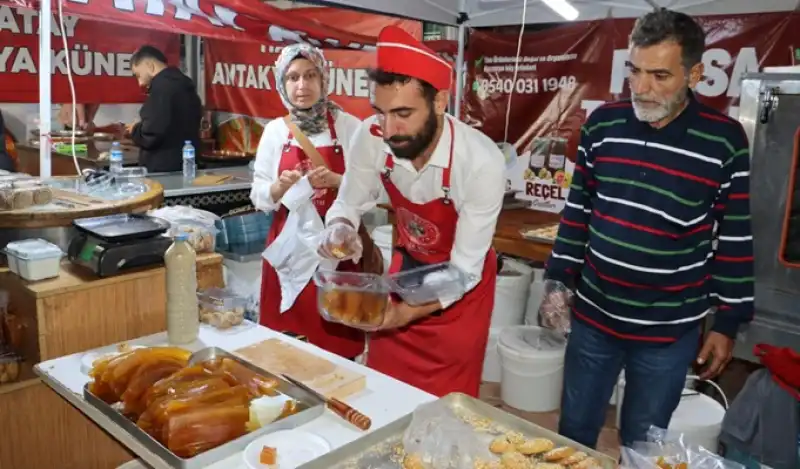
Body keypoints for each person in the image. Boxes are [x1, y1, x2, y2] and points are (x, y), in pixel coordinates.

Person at [539, 8, 754, 449]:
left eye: (660, 75)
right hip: (594, 316)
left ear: (694, 74)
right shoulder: (603, 125)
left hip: (668, 331)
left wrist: (727, 322)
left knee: (643, 443)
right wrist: (558, 280)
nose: (641, 87)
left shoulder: (724, 140)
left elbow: (734, 234)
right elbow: (578, 211)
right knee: (574, 432)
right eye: (635, 71)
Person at [317, 26, 506, 397]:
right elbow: (350, 201)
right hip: (405, 274)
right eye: (381, 113)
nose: (389, 130)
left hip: (460, 296)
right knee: (386, 392)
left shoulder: (480, 162)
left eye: (403, 113)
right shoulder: (371, 137)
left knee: (446, 403)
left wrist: (400, 314)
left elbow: (464, 270)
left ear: (440, 102)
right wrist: (340, 227)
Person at [251, 44, 366, 360]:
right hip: (289, 248)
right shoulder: (276, 132)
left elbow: (373, 190)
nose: (302, 85)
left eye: (310, 75)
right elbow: (258, 196)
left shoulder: (349, 127)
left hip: (338, 246)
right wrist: (278, 187)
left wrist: (338, 181)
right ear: (282, 83)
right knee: (285, 346)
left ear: (324, 78)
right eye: (293, 77)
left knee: (336, 341)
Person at [126, 45, 202, 173]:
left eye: (138, 75)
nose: (140, 83)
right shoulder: (185, 85)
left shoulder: (162, 89)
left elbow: (152, 132)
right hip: (185, 165)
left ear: (150, 66)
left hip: (163, 169)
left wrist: (135, 129)